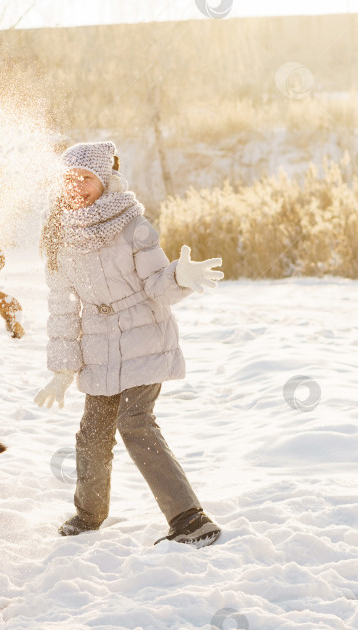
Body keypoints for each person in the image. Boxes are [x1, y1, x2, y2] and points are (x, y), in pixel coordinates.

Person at [36, 142, 224, 547]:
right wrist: (62, 370)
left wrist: (180, 277)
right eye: (70, 179)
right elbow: (63, 310)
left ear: (105, 180)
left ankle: (190, 520)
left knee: (134, 422)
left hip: (144, 336)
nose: (78, 186)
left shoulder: (132, 223)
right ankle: (89, 514)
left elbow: (158, 285)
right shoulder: (60, 234)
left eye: (87, 178)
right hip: (100, 348)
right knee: (91, 434)